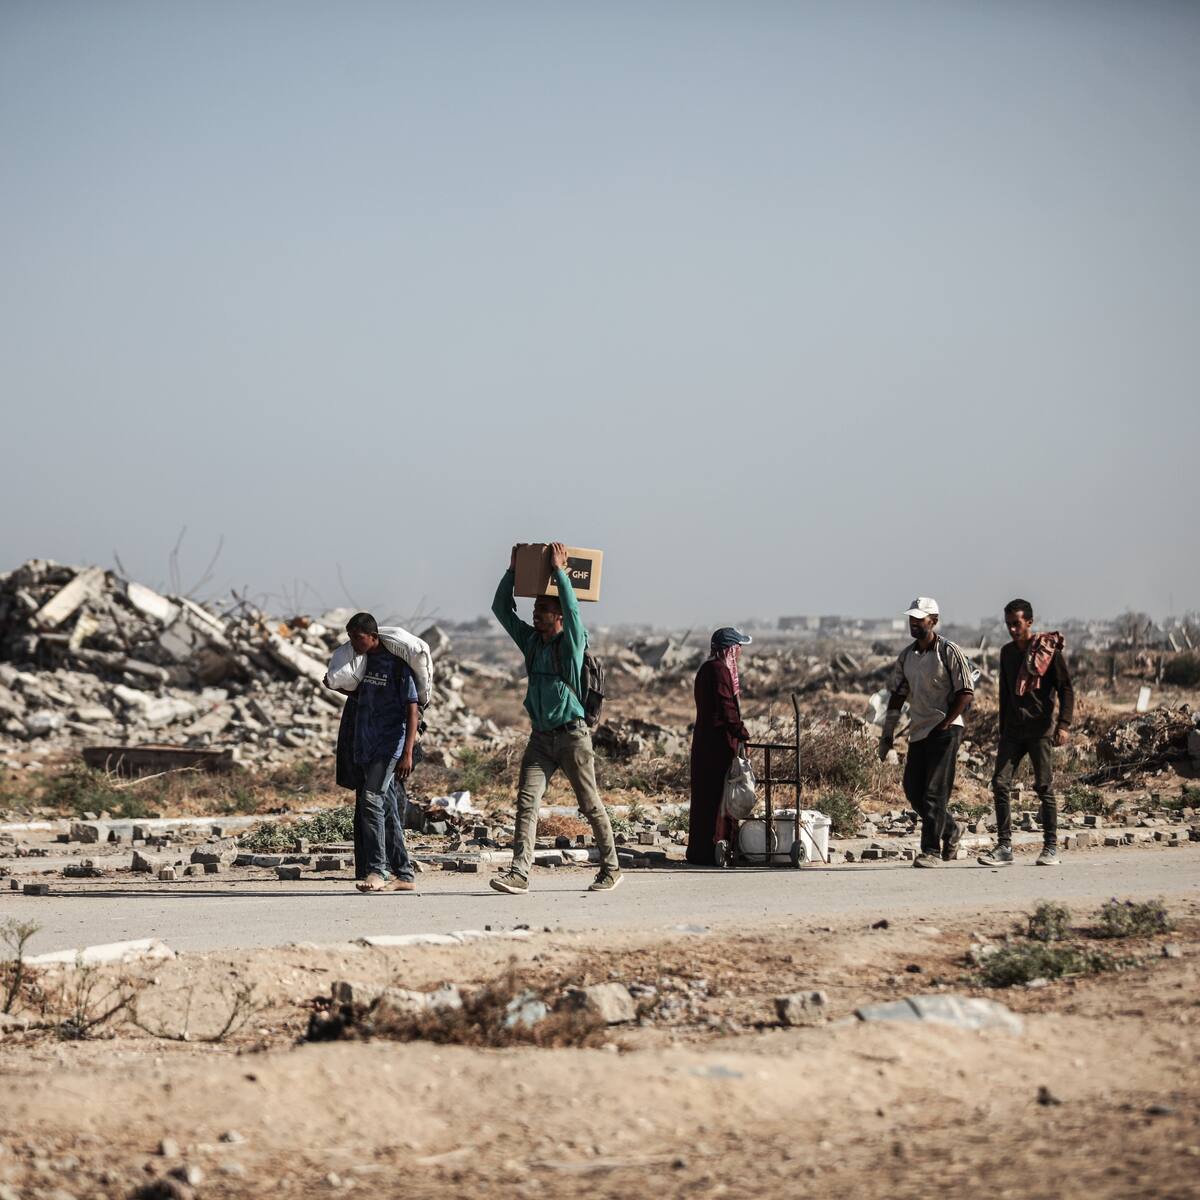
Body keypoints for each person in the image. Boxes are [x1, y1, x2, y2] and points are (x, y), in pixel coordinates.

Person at [488, 542, 622, 895]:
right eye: (535, 607)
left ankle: (611, 868)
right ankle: (519, 873)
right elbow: (500, 609)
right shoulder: (532, 643)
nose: (536, 613)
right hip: (541, 738)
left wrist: (561, 573)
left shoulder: (571, 645)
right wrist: (512, 571)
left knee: (590, 804)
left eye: (544, 608)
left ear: (559, 614)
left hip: (572, 737)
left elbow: (576, 615)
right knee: (526, 803)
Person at [978, 599, 1075, 868]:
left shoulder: (1047, 651)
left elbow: (1066, 688)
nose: (1012, 629)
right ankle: (1004, 846)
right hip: (1012, 730)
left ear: (1029, 623)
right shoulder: (1007, 653)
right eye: (1008, 624)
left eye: (1017, 624)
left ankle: (1051, 846)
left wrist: (1063, 725)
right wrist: (1002, 728)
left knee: (1044, 786)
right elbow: (1004, 693)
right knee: (1000, 783)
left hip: (1040, 729)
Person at [879, 597, 975, 868]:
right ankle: (950, 829)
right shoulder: (907, 657)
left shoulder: (949, 651)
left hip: (945, 730)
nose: (914, 624)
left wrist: (947, 722)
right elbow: (897, 697)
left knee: (934, 792)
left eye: (919, 619)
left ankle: (930, 851)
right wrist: (887, 735)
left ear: (933, 621)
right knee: (913, 789)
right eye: (912, 619)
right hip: (920, 731)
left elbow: (965, 692)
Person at [328, 612, 420, 893]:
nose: (353, 643)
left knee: (371, 800)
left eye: (358, 637)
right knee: (388, 808)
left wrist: (408, 753)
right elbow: (360, 694)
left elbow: (412, 708)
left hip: (390, 745)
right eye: (350, 637)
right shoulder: (362, 665)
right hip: (365, 743)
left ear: (373, 637)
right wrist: (337, 686)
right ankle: (404, 874)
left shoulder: (397, 666)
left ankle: (377, 870)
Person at [687, 628, 753, 865]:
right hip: (718, 745)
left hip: (705, 743)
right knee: (722, 799)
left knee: (706, 798)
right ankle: (720, 847)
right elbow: (726, 709)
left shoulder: (706, 668)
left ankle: (701, 850)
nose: (741, 652)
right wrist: (742, 733)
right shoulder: (719, 671)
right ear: (730, 649)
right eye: (739, 647)